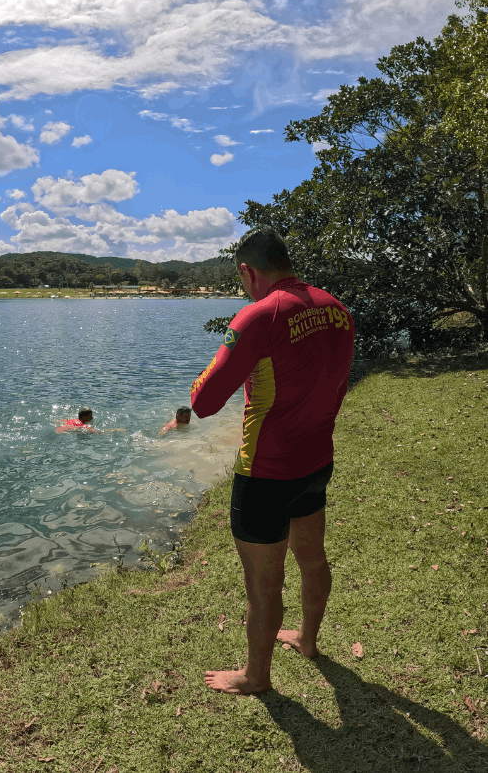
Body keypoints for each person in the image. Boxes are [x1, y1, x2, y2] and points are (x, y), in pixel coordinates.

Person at [191, 225, 355, 695]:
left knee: (264, 582)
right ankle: (307, 640)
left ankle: (256, 676)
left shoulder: (257, 316)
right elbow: (337, 382)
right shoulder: (337, 309)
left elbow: (203, 402)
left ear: (248, 270)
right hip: (316, 461)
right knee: (312, 557)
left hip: (264, 473)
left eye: (241, 278)